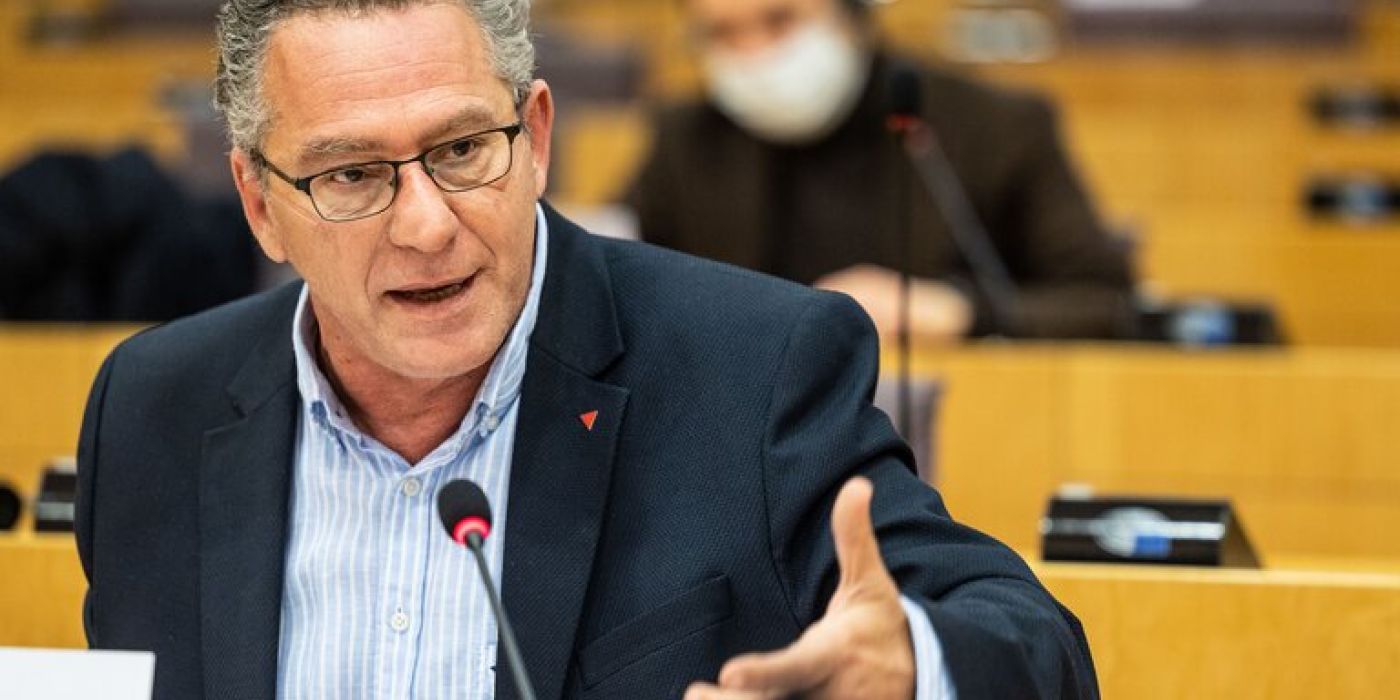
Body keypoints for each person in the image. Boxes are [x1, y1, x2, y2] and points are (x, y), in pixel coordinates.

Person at [74, 1, 1096, 698]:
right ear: (259, 202)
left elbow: (1032, 641)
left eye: (461, 150)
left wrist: (914, 666)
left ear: (536, 137)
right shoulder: (152, 408)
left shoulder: (756, 371)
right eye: (350, 176)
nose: (425, 226)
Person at [630, 0, 1136, 342]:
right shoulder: (687, 137)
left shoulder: (992, 125)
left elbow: (1106, 303)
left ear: (852, 13)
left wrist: (961, 311)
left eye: (780, 21)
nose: (755, 55)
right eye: (722, 34)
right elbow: (618, 276)